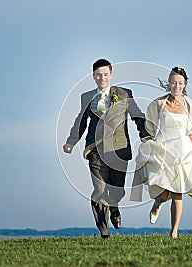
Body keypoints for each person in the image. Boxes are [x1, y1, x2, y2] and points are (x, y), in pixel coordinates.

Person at [63, 59, 150, 238]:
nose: (102, 77)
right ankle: (104, 230)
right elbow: (81, 122)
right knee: (99, 190)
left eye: (105, 74)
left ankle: (114, 207)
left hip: (118, 150)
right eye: (98, 74)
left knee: (117, 190)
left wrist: (143, 133)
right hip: (95, 149)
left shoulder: (124, 94)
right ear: (94, 76)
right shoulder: (86, 97)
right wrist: (71, 142)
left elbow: (137, 115)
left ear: (111, 75)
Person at [130, 67, 192, 238]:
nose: (177, 86)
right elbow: (150, 126)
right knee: (163, 193)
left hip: (181, 151)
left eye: (180, 83)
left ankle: (174, 231)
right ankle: (157, 203)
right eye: (174, 82)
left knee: (177, 191)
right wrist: (148, 138)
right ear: (168, 84)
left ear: (184, 85)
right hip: (162, 149)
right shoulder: (159, 104)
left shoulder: (190, 105)